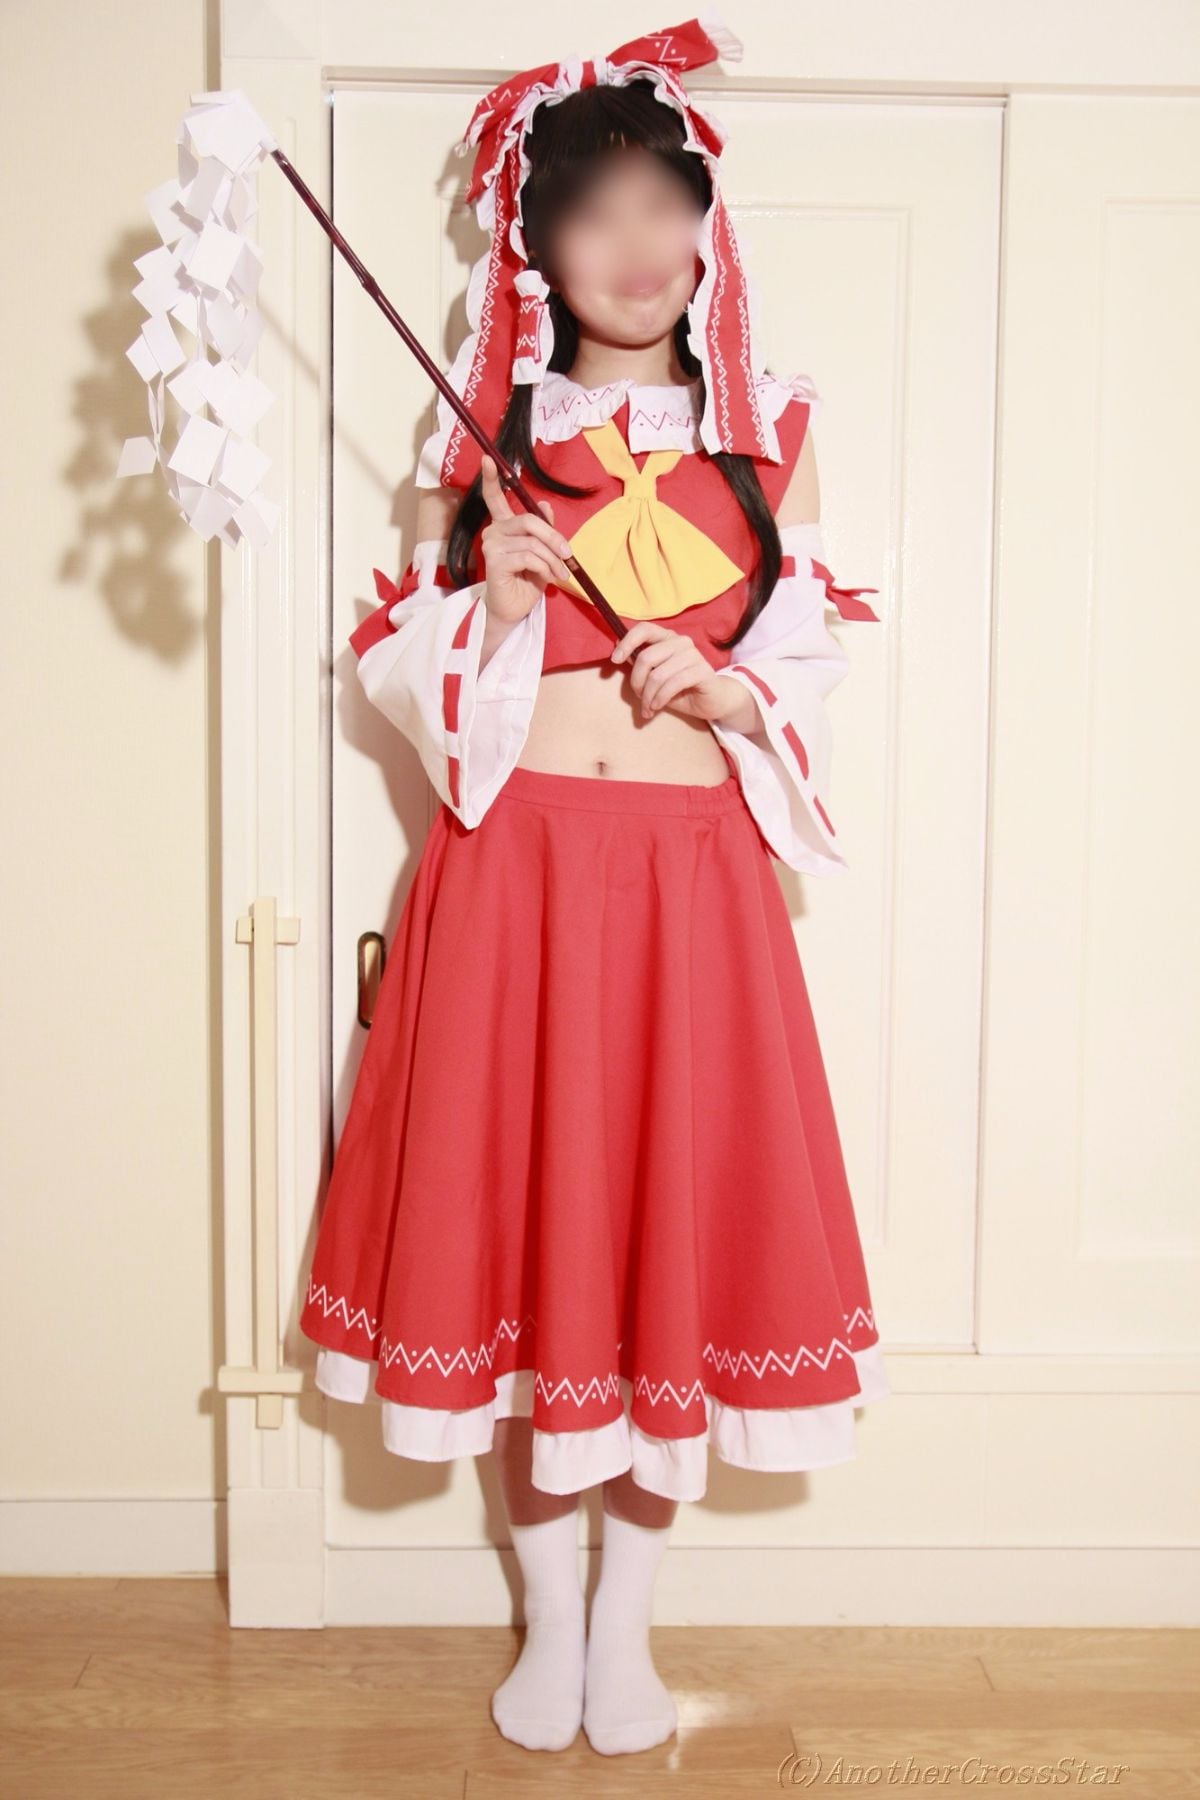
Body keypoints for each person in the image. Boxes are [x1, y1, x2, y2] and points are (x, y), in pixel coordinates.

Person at [299, 15, 888, 1759]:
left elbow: (809, 657)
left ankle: (628, 1625)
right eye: (591, 212)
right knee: (528, 1239)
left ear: (708, 225)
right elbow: (403, 688)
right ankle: (549, 1622)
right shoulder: (483, 435)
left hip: (691, 900)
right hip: (517, 888)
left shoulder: (768, 434)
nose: (636, 244)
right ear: (535, 248)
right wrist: (489, 609)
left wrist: (731, 689)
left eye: (663, 204)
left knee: (659, 1246)